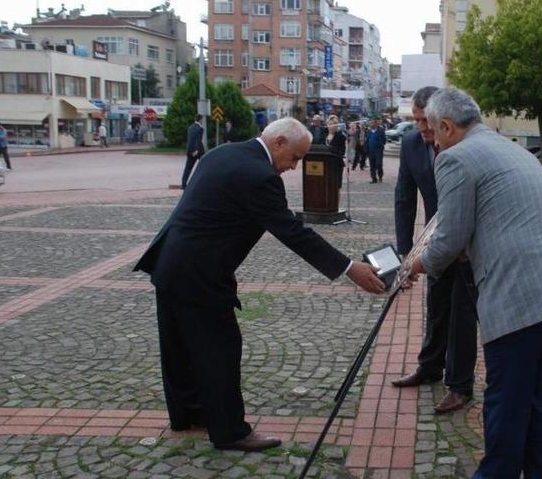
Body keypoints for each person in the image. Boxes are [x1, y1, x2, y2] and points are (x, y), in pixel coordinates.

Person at [133, 118, 386, 453]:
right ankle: (230, 431)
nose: (294, 167)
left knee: (179, 347)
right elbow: (292, 233)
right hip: (199, 274)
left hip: (171, 264)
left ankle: (189, 414)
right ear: (278, 142)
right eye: (294, 158)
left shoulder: (223, 154)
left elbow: (208, 214)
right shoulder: (260, 176)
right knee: (220, 349)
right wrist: (349, 267)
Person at [408, 88, 542, 478]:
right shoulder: (515, 150)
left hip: (520, 300)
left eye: (433, 131)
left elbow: (450, 239)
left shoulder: (456, 157)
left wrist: (414, 265)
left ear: (447, 126)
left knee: (506, 402)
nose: (433, 140)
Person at [392, 86, 479, 414]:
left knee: (462, 311)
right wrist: (406, 252)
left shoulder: (462, 142)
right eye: (416, 121)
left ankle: (460, 385)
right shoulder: (412, 144)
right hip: (435, 241)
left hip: (470, 243)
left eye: (425, 121)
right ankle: (430, 367)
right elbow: (404, 196)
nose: (422, 128)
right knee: (437, 304)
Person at [181, 114, 205, 190]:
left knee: (188, 168)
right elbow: (198, 140)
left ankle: (183, 184)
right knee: (204, 165)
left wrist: (191, 150)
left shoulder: (190, 127)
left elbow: (190, 140)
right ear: (200, 120)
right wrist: (196, 150)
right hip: (198, 151)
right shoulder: (200, 128)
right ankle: (203, 183)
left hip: (190, 150)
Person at [324, 114, 346, 189]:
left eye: (334, 124)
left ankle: (336, 200)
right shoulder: (323, 135)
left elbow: (342, 151)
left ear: (337, 126)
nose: (332, 126)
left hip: (336, 164)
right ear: (327, 125)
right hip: (325, 164)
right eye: (330, 124)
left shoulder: (341, 137)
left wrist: (332, 150)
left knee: (336, 186)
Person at [366, 118, 386, 183]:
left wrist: (381, 145)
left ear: (376, 124)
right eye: (370, 123)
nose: (371, 124)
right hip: (370, 151)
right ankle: (374, 179)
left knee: (379, 164)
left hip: (378, 151)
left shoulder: (381, 131)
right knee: (372, 166)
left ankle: (380, 176)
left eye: (372, 123)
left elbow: (384, 140)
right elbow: (367, 140)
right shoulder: (369, 131)